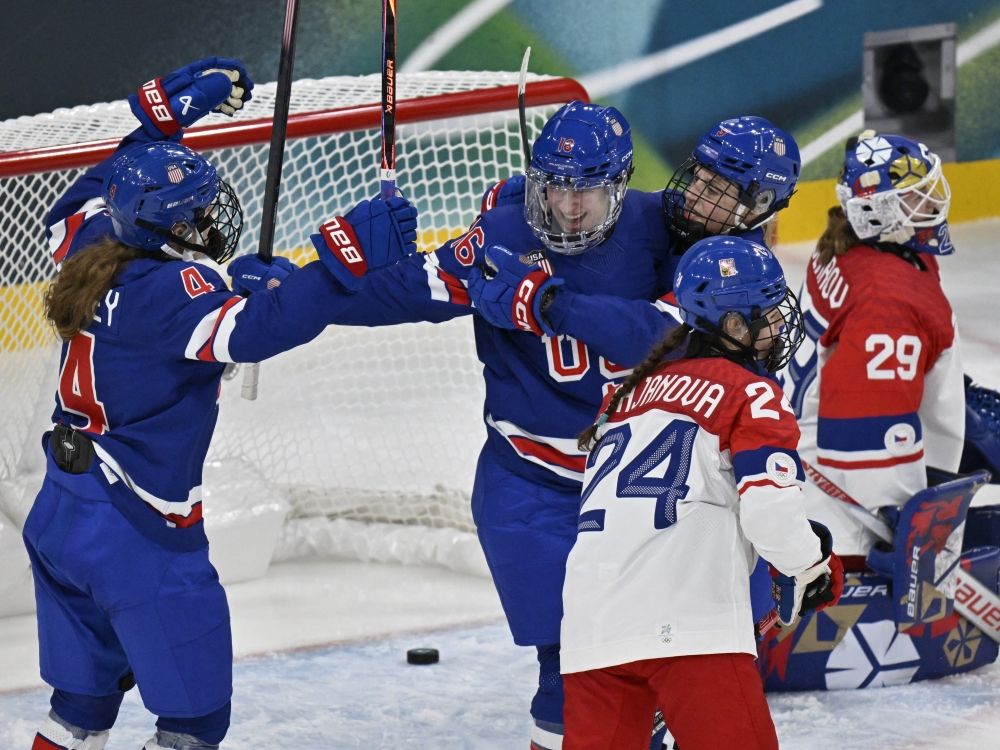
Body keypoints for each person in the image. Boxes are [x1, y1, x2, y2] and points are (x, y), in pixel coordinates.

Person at [330, 104, 801, 748]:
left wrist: (547, 301)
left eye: (587, 190)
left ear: (619, 184)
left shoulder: (685, 246)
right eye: (556, 187)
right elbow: (406, 291)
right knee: (568, 676)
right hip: (532, 484)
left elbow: (670, 335)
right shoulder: (503, 232)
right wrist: (305, 287)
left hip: (653, 492)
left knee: (703, 662)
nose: (569, 208)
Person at [23, 58, 417, 750]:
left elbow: (112, 174)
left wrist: (164, 122)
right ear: (168, 223)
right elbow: (257, 331)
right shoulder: (175, 297)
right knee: (192, 726)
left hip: (62, 514)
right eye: (200, 210)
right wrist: (338, 260)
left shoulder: (88, 238)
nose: (212, 215)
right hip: (136, 532)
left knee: (78, 714)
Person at [560, 235, 843, 750]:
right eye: (768, 314)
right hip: (689, 623)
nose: (780, 325)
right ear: (734, 326)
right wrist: (811, 565)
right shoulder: (751, 391)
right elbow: (770, 514)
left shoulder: (625, 400)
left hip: (589, 626)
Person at [780, 130, 962, 560]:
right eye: (915, 198)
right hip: (843, 522)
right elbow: (863, 441)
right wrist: (903, 522)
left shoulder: (847, 246)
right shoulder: (889, 302)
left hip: (806, 465)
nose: (932, 206)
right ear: (878, 213)